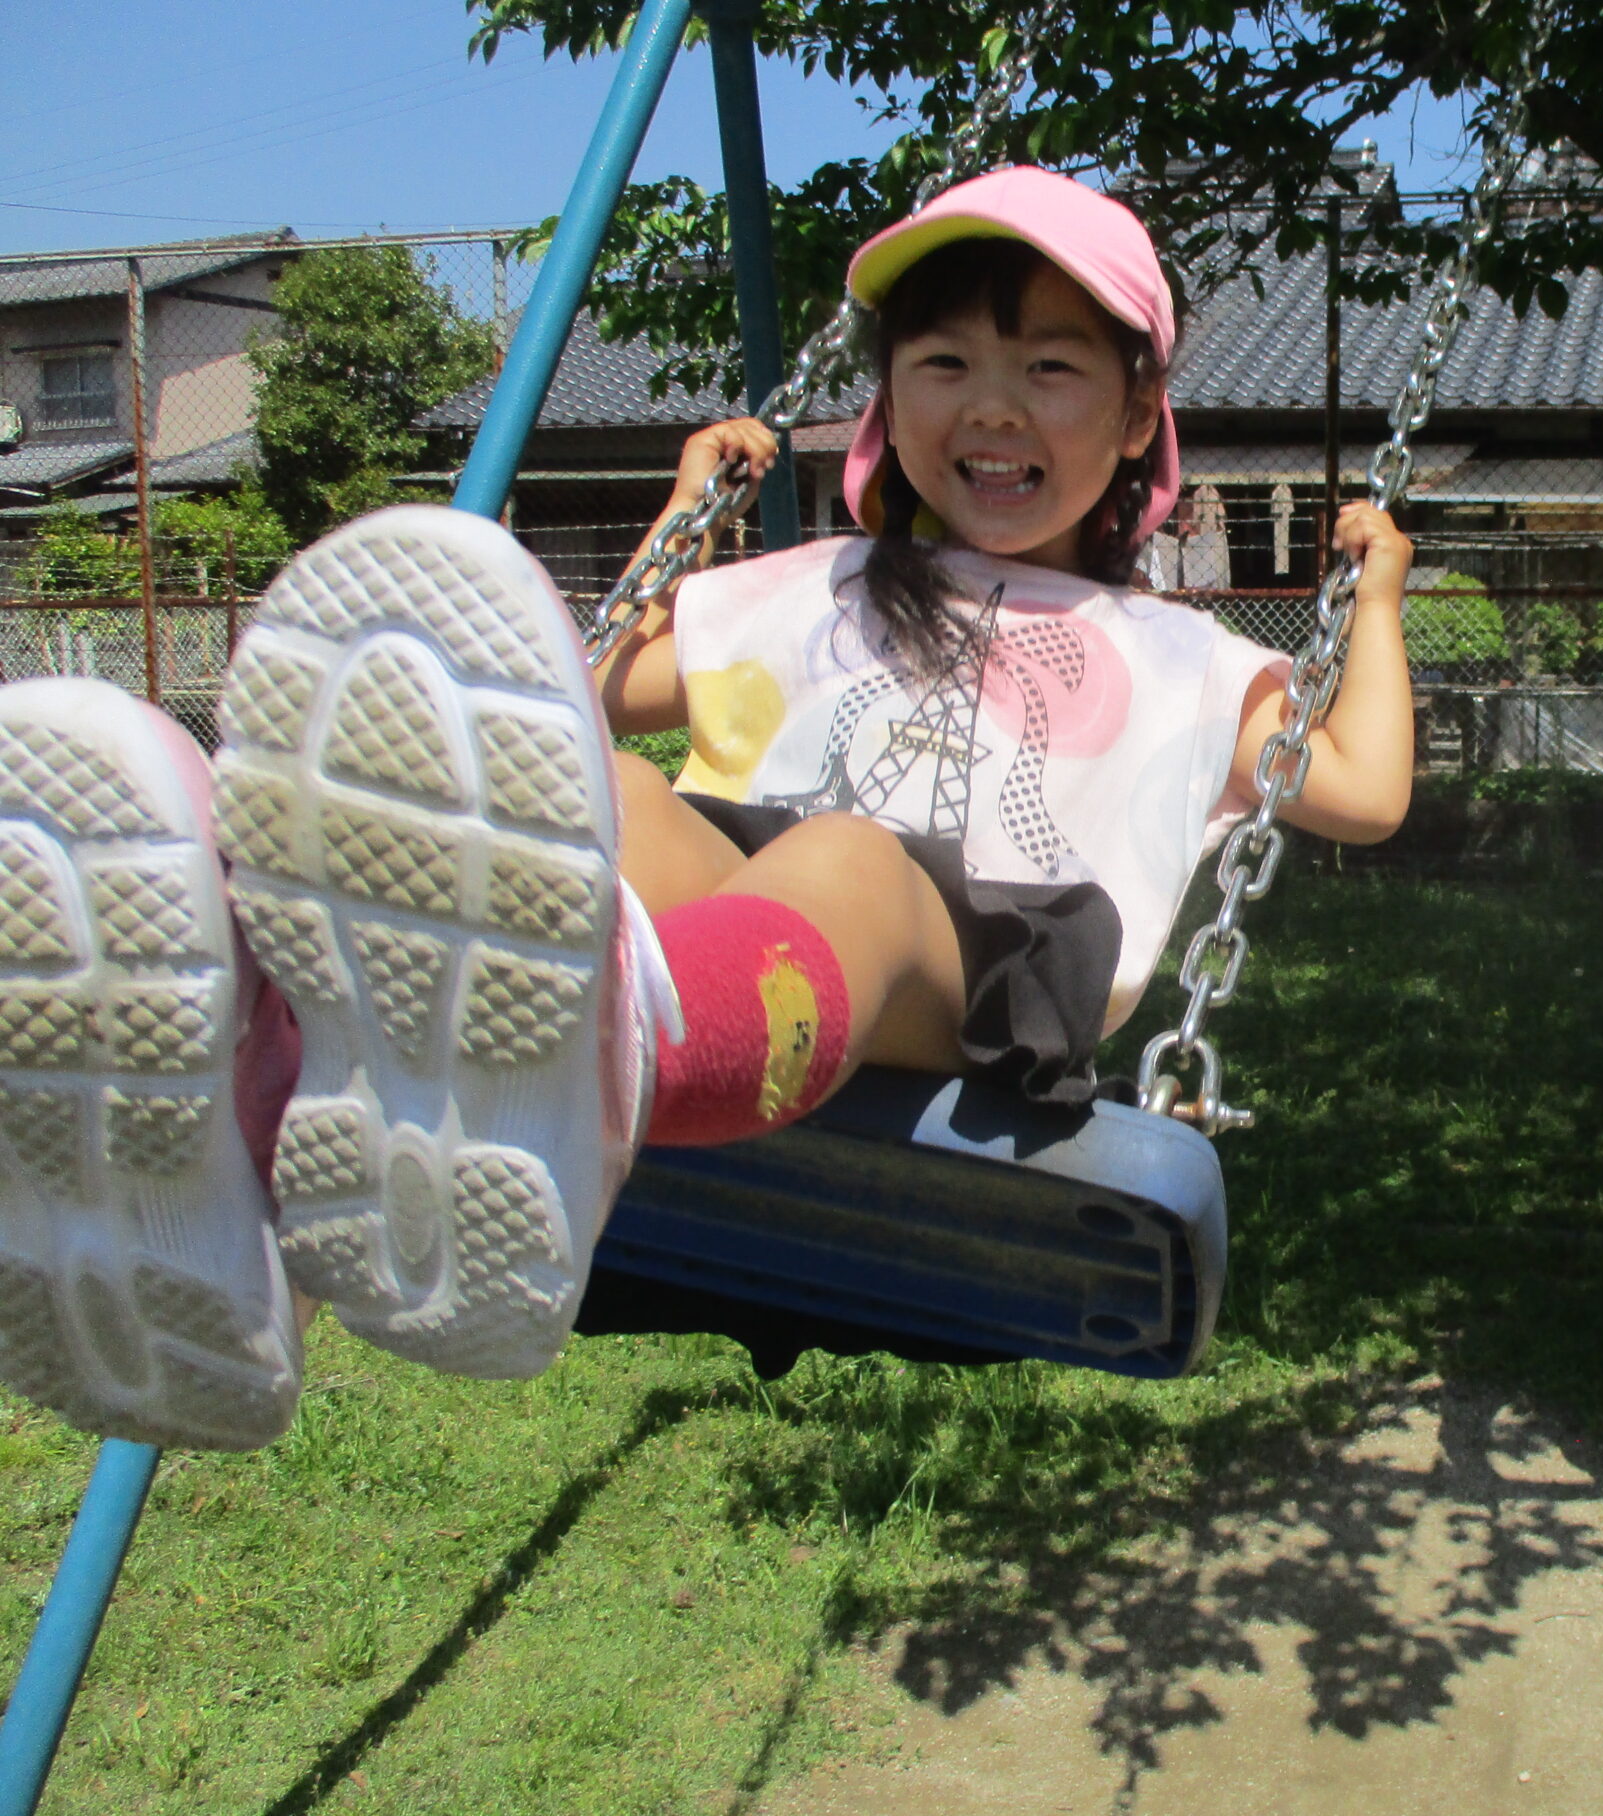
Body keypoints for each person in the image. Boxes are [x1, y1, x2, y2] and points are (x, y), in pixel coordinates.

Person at [0, 166, 1414, 1449]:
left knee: (849, 860)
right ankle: (248, 1126)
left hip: (983, 969)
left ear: (1137, 416)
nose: (991, 406)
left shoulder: (1181, 659)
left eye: (1048, 367)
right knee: (611, 796)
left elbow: (1360, 789)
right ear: (886, 402)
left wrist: (1379, 603)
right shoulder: (826, 587)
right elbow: (579, 704)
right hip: (750, 912)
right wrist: (681, 528)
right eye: (944, 363)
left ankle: (609, 1059)